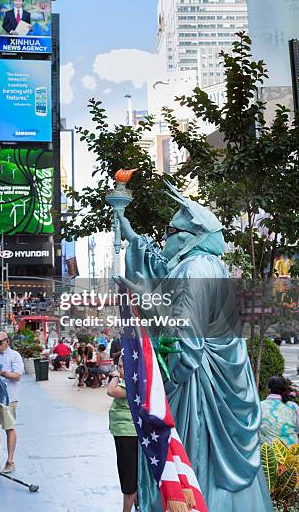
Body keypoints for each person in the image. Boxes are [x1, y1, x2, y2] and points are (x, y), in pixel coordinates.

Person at [116, 182, 274, 511]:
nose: (164, 239)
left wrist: (163, 380)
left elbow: (186, 346)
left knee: (196, 468)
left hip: (200, 394)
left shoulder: (195, 270)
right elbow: (161, 268)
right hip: (222, 391)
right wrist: (130, 234)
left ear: (189, 236)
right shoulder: (207, 266)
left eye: (169, 231)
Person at [0, 332, 24, 473]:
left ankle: (10, 461)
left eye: (0, 342)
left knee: (9, 428)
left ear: (7, 341)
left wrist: (3, 373)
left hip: (8, 399)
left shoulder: (14, 356)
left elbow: (17, 375)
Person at [108, 358, 138, 512]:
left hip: (127, 433)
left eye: (122, 366)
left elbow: (111, 391)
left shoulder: (131, 383)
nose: (120, 369)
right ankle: (138, 504)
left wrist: (115, 376)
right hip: (124, 432)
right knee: (130, 471)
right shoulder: (131, 380)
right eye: (118, 366)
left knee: (128, 474)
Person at [260, 376, 299, 446]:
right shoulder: (293, 406)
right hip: (292, 453)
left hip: (268, 453)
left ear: (268, 390)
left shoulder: (259, 406)